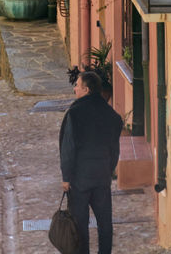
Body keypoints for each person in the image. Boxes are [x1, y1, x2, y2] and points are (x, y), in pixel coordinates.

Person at [59, 68, 123, 254]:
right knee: (105, 223)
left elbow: (68, 148)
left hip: (80, 178)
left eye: (77, 86)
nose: (75, 90)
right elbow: (114, 149)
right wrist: (108, 168)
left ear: (87, 90)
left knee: (80, 224)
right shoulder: (111, 115)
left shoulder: (75, 114)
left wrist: (66, 176)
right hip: (101, 174)